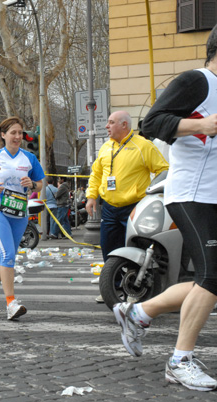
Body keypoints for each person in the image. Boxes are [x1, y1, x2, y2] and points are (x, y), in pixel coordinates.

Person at [112, 28, 217, 392]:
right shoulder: (197, 81)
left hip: (213, 197)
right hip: (191, 194)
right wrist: (201, 124)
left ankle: (139, 312)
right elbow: (152, 123)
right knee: (213, 276)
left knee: (210, 277)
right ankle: (179, 361)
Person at [85, 110, 168, 303]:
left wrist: (153, 193)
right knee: (109, 249)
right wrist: (91, 197)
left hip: (135, 207)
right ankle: (112, 288)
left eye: (111, 122)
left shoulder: (143, 146)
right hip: (109, 208)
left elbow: (163, 169)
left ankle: (143, 287)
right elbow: (96, 174)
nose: (107, 126)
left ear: (124, 125)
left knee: (139, 249)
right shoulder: (106, 147)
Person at [0, 116, 44, 321]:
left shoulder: (29, 158)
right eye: (13, 133)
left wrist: (32, 185)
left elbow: (40, 182)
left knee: (7, 254)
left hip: (19, 213)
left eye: (20, 133)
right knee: (8, 253)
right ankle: (11, 303)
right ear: (3, 135)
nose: (17, 137)